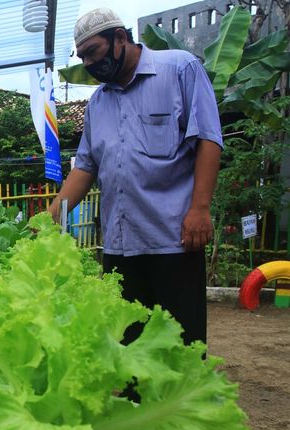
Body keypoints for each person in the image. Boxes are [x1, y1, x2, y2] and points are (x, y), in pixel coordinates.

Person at [49, 8, 222, 351]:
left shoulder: (179, 69)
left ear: (120, 38)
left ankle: (179, 404)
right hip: (120, 244)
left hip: (174, 238)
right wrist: (52, 215)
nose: (89, 63)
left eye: (94, 52)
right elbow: (85, 167)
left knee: (180, 342)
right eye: (82, 57)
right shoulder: (98, 103)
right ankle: (133, 404)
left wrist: (200, 208)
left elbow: (208, 139)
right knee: (128, 345)